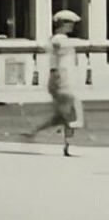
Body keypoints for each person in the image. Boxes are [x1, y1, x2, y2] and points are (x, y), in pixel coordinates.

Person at [24, 9, 84, 156]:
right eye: (70, 23)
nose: (72, 26)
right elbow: (58, 60)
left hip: (63, 79)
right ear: (63, 23)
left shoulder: (60, 39)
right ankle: (68, 139)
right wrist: (61, 81)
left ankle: (38, 134)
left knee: (62, 116)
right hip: (61, 80)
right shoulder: (58, 39)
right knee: (73, 109)